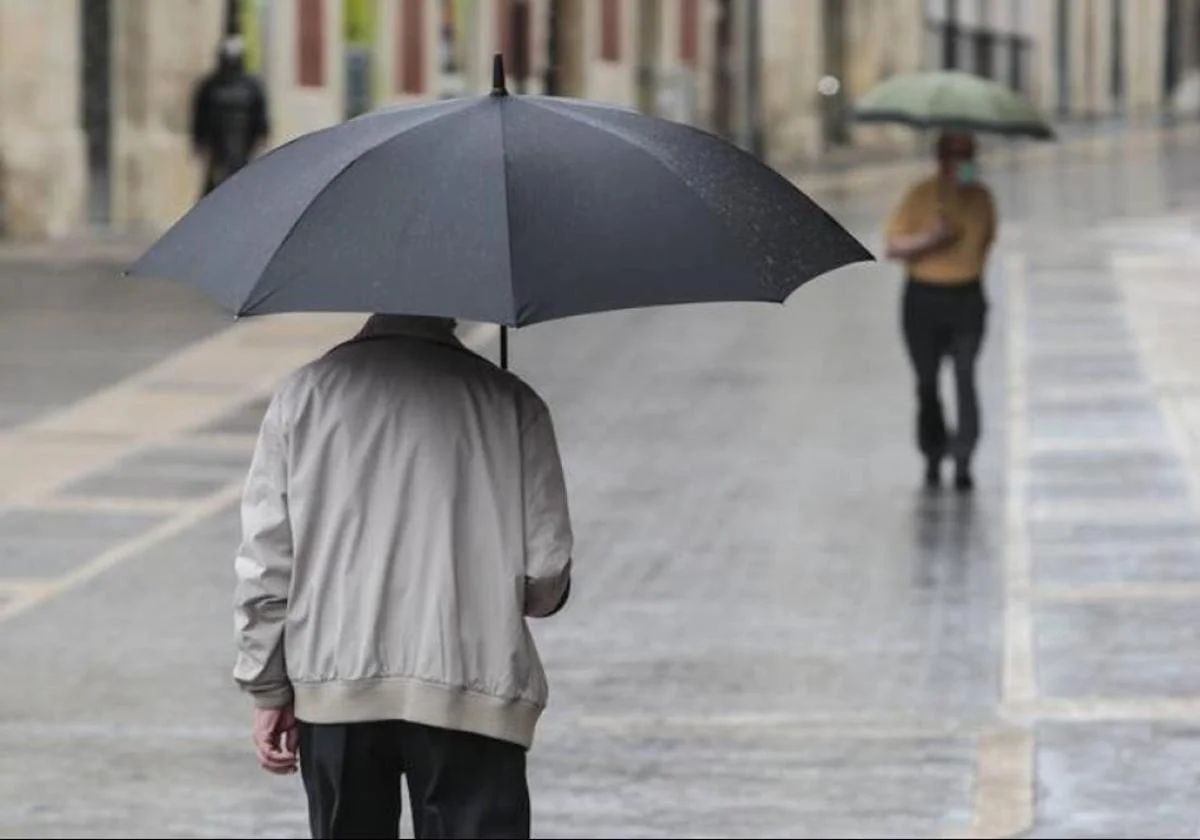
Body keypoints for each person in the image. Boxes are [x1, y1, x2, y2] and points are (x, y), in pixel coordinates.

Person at [233, 314, 573, 839]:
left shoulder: (302, 396)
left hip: (336, 687)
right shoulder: (511, 402)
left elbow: (267, 562)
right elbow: (545, 576)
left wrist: (268, 689)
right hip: (472, 690)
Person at [885, 131, 996, 491]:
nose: (961, 162)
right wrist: (930, 238)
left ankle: (963, 456)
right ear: (941, 158)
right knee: (927, 383)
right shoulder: (920, 195)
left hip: (966, 298)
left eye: (968, 155)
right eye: (954, 154)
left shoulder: (981, 198)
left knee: (965, 376)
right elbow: (893, 245)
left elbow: (982, 244)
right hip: (923, 300)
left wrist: (955, 225)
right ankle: (933, 451)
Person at [191, 36, 269, 195]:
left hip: (242, 147)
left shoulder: (250, 86)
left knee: (242, 186)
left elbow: (260, 117)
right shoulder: (210, 85)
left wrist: (260, 135)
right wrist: (199, 141)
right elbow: (200, 115)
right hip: (217, 148)